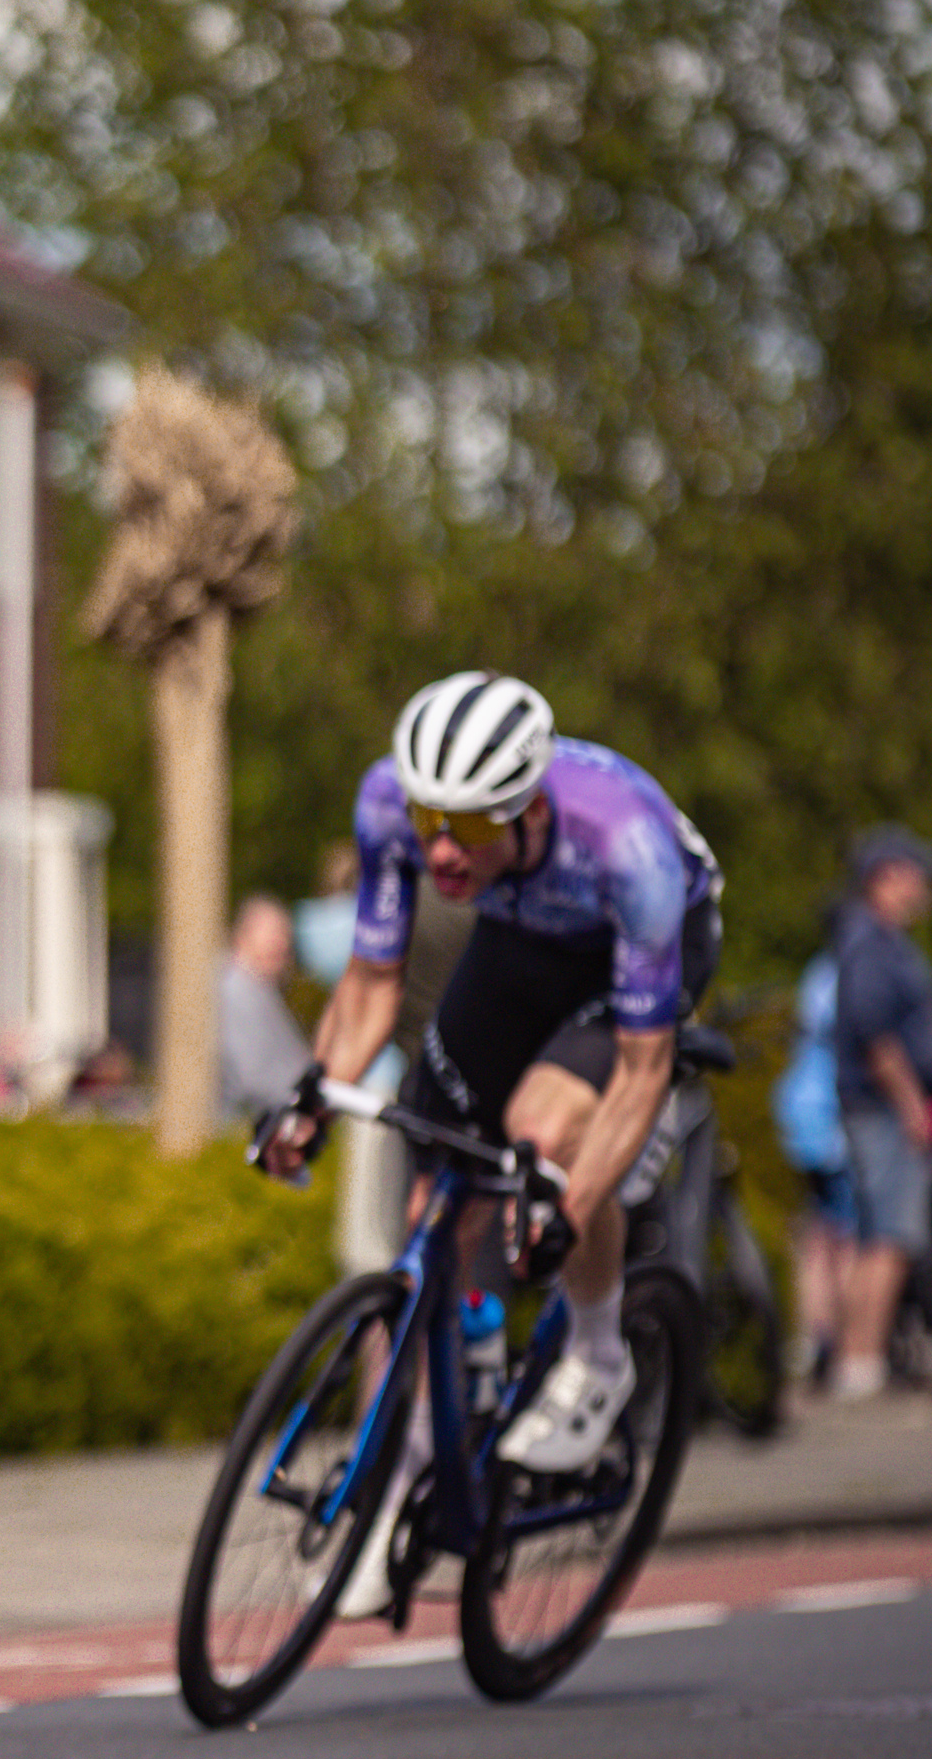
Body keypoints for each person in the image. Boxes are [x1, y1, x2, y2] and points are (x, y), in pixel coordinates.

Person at [262, 670, 722, 1615]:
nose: (440, 849)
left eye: (469, 827)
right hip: (516, 945)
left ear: (527, 809)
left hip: (622, 959)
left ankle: (598, 1354)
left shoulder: (625, 845)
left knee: (540, 1132)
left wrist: (568, 1204)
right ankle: (404, 1471)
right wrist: (311, 1099)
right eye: (431, 816)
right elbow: (370, 984)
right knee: (434, 1212)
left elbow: (639, 1071)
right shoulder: (393, 807)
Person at [831, 827, 932, 1403]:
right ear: (887, 875)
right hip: (885, 1110)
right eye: (915, 873)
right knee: (888, 1237)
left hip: (883, 1109)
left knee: (879, 1234)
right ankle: (861, 1363)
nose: (924, 885)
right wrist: (913, 1107)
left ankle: (860, 1360)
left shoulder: (881, 942)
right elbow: (876, 1036)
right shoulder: (872, 944)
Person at [771, 938, 855, 1390]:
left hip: (799, 1110)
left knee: (816, 1234)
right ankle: (841, 1345)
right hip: (830, 1118)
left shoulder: (820, 969)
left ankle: (811, 1338)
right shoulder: (850, 971)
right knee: (846, 1237)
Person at [217, 895, 313, 1123]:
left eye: (285, 935)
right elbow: (253, 1077)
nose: (282, 944)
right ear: (242, 936)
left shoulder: (257, 986)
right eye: (273, 933)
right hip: (240, 1126)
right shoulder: (235, 989)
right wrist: (312, 1097)